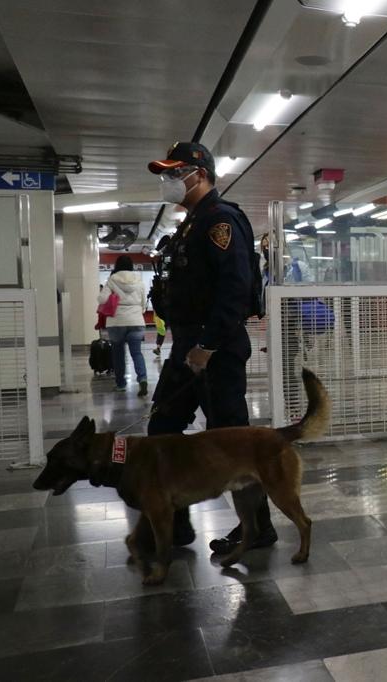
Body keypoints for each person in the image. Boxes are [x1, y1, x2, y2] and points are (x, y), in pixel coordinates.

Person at [146, 141, 272, 551]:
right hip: (188, 343)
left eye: (174, 173)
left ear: (199, 174)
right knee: (163, 425)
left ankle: (257, 528)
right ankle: (175, 524)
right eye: (166, 174)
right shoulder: (191, 223)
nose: (168, 181)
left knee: (232, 442)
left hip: (215, 349)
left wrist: (207, 344)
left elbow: (235, 289)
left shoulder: (220, 220)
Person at [98, 255, 149, 395]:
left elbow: (101, 299)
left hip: (116, 322)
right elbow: (144, 303)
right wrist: (138, 311)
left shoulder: (112, 280)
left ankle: (121, 384)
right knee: (137, 353)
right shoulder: (139, 280)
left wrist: (113, 297)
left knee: (118, 354)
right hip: (136, 321)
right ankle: (143, 379)